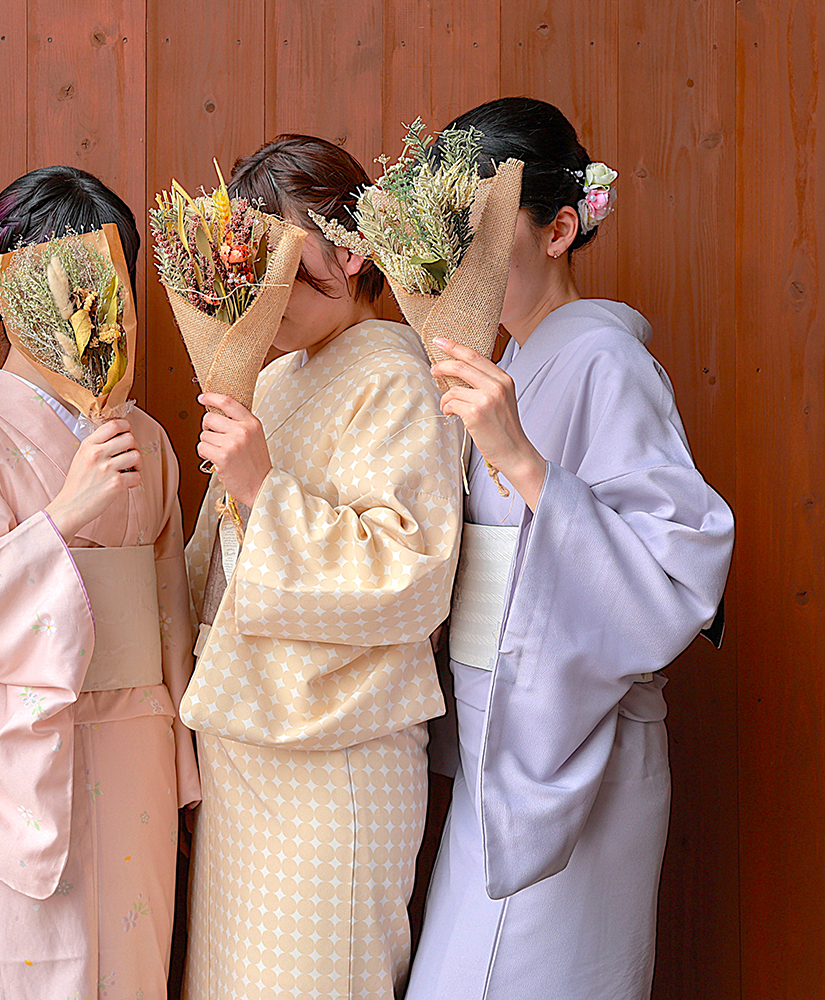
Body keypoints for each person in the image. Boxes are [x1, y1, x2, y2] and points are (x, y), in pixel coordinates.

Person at [406, 97, 734, 1000]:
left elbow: (678, 571)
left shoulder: (601, 359)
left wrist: (520, 458)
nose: (455, 253)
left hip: (577, 751)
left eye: (475, 225)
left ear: (558, 230)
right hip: (498, 738)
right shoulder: (503, 364)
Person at [0, 165, 201, 998]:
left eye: (106, 276)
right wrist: (60, 520)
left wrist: (183, 751)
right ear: (4, 292)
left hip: (133, 744)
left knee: (130, 973)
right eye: (60, 281)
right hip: (15, 756)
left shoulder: (148, 438)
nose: (85, 304)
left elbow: (169, 606)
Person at [177, 135, 462, 999]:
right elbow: (212, 566)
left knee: (316, 976)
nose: (260, 288)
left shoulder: (397, 373)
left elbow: (411, 572)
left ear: (350, 251)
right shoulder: (274, 380)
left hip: (335, 756)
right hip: (250, 740)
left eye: (278, 261)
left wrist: (264, 488)